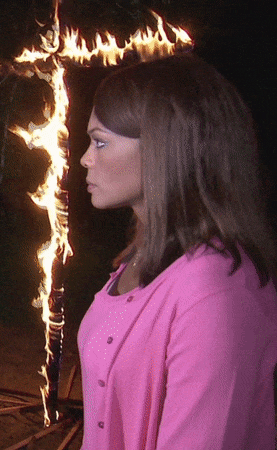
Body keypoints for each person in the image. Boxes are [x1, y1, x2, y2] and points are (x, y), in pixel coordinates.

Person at [78, 53, 277, 449]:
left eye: (100, 142)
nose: (85, 158)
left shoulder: (215, 291)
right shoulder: (141, 258)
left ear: (163, 148)